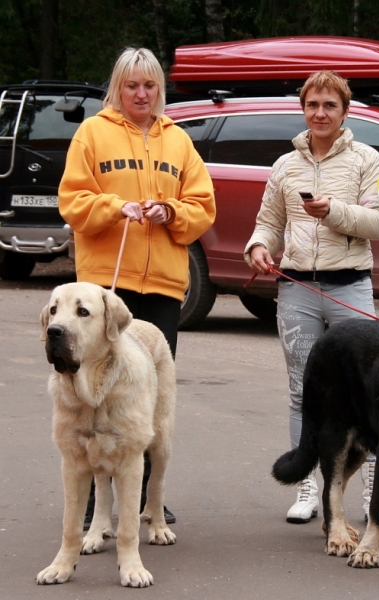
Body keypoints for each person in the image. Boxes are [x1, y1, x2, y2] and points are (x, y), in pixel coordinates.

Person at [58, 47, 216, 528]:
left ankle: (146, 500)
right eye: (132, 85)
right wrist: (114, 206)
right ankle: (92, 504)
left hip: (164, 287)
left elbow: (202, 207)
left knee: (143, 399)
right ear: (118, 88)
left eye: (149, 86)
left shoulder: (179, 142)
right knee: (94, 392)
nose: (141, 94)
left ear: (159, 90)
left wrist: (172, 212)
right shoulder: (93, 133)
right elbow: (72, 201)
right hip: (107, 289)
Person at [244, 71, 379, 525]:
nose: (321, 113)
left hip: (351, 286)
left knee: (371, 393)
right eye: (313, 105)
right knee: (301, 393)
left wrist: (333, 212)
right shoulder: (285, 166)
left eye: (330, 105)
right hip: (297, 290)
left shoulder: (367, 160)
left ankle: (373, 495)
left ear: (345, 111)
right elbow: (268, 222)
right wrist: (258, 247)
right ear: (303, 109)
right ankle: (309, 489)